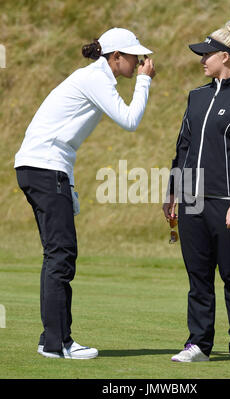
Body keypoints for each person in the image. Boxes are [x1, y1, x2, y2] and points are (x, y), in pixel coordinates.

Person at [14, 27, 155, 359]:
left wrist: (70, 186)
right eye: (134, 56)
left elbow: (65, 140)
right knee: (60, 257)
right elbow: (130, 120)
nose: (140, 61)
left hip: (44, 168)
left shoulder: (92, 78)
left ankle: (51, 337)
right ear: (115, 56)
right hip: (45, 169)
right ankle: (57, 343)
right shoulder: (95, 79)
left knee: (57, 255)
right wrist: (145, 81)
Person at [163, 20, 230, 365]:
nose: (201, 60)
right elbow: (183, 147)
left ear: (226, 56)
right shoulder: (196, 96)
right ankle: (198, 345)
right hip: (191, 200)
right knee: (199, 277)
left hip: (227, 202)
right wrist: (173, 191)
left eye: (206, 55)